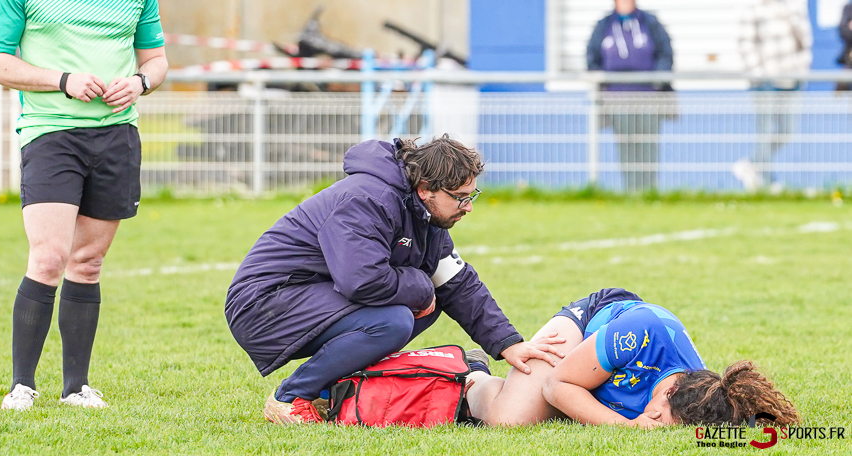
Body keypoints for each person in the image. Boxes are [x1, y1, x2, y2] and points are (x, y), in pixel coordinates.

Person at [0, 0, 168, 410]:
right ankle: (22, 385)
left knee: (87, 263)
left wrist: (139, 82)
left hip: (116, 135)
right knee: (49, 256)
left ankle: (76, 388)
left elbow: (156, 60)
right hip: (51, 133)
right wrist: (62, 80)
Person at [225, 135, 563, 424]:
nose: (468, 207)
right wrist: (421, 287)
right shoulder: (368, 198)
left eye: (471, 196)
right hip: (263, 304)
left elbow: (457, 282)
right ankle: (290, 397)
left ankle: (328, 392)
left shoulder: (424, 214)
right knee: (394, 320)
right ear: (426, 188)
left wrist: (508, 343)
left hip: (305, 297)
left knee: (427, 304)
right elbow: (361, 281)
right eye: (460, 197)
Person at [464, 288, 799, 427]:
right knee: (509, 418)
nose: (653, 419)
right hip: (587, 328)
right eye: (660, 416)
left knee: (568, 409)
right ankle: (473, 371)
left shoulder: (703, 397)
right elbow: (556, 384)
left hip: (605, 374)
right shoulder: (640, 333)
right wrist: (625, 425)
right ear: (670, 391)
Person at [733, 0, 812, 193]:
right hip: (766, 80)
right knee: (765, 132)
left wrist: (802, 69)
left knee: (787, 132)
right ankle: (767, 182)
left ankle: (750, 165)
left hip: (792, 78)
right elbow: (745, 42)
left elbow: (805, 39)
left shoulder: (793, 1)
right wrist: (759, 74)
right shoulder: (753, 1)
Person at [587, 0, 674, 193]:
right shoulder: (604, 26)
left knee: (648, 144)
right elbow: (592, 57)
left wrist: (657, 80)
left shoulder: (650, 22)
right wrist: (603, 82)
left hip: (647, 96)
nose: (624, 1)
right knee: (626, 145)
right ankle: (630, 191)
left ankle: (649, 190)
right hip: (617, 97)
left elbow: (665, 52)